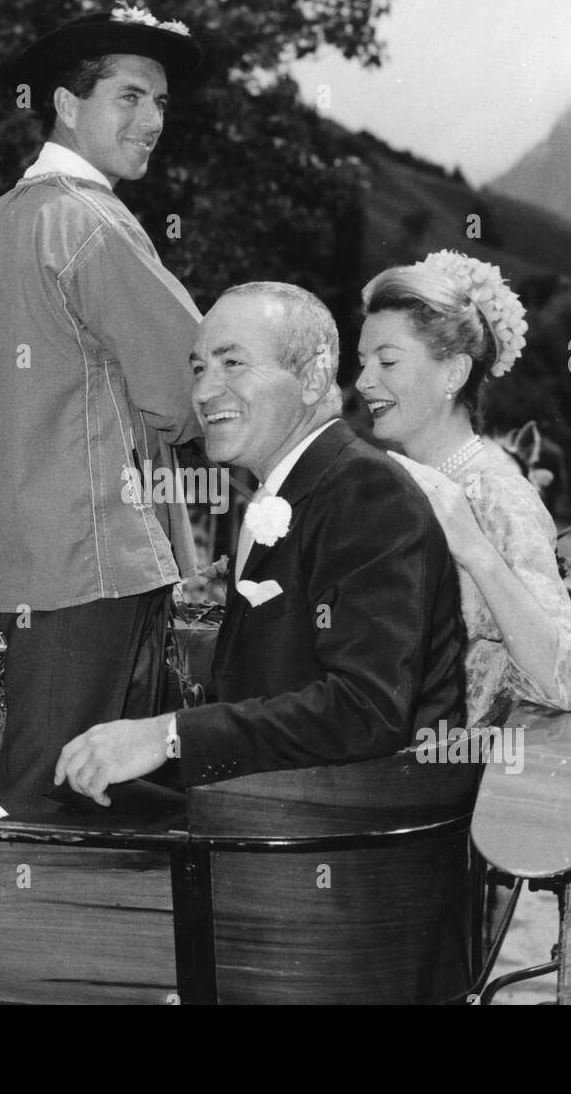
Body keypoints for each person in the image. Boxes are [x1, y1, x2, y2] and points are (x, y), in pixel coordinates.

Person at [0, 9, 205, 815]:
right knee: (64, 796)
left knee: (28, 786)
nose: (151, 121)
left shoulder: (1, 221)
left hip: (5, 560)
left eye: (161, 103)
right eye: (130, 96)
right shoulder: (92, 221)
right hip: (88, 558)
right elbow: (192, 387)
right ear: (67, 105)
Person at [54, 283, 466, 803]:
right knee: (57, 796)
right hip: (272, 807)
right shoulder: (298, 488)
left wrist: (168, 736)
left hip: (341, 838)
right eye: (199, 368)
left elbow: (366, 710)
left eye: (232, 364)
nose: (203, 393)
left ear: (314, 377)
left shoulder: (367, 493)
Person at [355, 251, 571, 725]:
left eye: (388, 361)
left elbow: (568, 679)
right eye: (363, 362)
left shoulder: (499, 495)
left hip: (435, 774)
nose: (363, 381)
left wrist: (475, 549)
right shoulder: (384, 480)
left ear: (454, 373)